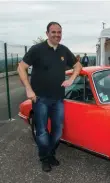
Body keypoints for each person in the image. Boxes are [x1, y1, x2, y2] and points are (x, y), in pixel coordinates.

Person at [17, 21, 83, 172]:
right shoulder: (37, 49)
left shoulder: (63, 50)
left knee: (58, 131)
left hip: (58, 99)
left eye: (59, 32)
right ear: (47, 33)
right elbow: (21, 67)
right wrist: (28, 89)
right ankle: (44, 158)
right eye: (53, 32)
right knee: (41, 131)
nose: (57, 35)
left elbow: (77, 66)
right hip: (40, 99)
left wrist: (72, 79)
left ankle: (51, 153)